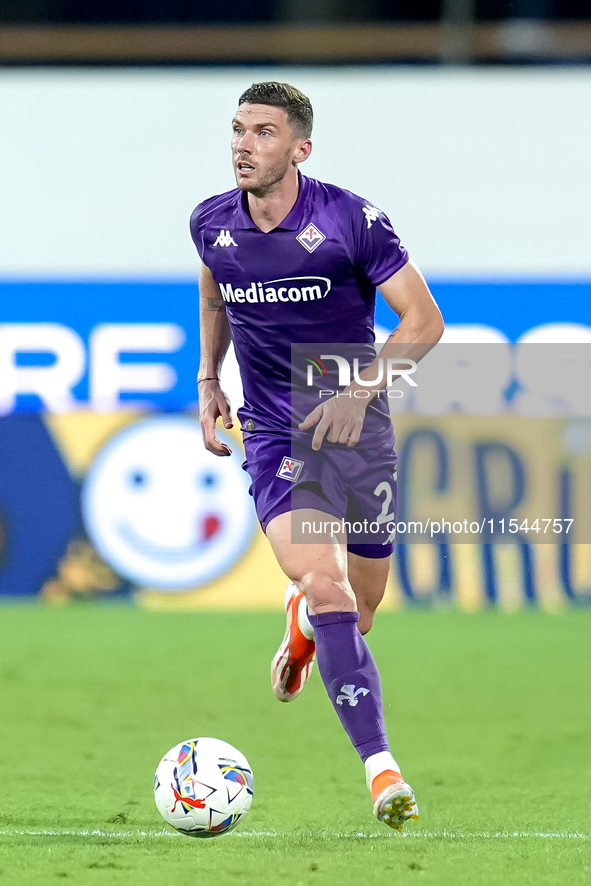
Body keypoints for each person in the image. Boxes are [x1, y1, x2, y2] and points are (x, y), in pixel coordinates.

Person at [191, 81, 443, 829]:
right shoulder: (210, 223)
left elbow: (423, 324)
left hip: (356, 432)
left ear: (300, 148)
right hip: (274, 436)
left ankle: (303, 630)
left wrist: (358, 393)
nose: (243, 144)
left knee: (358, 612)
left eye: (263, 132)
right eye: (237, 129)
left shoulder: (349, 220)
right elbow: (214, 294)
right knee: (327, 585)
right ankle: (382, 772)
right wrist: (209, 378)